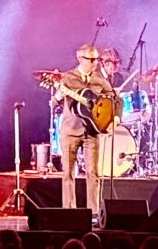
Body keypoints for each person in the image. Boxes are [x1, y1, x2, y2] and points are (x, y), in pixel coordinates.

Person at [57, 44, 117, 221]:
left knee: (93, 172)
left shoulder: (99, 78)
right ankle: (69, 213)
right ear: (80, 58)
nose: (95, 63)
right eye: (91, 60)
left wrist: (113, 119)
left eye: (97, 59)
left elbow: (115, 99)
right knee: (68, 172)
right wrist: (58, 97)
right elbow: (54, 103)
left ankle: (94, 213)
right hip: (70, 130)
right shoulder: (68, 78)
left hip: (92, 131)